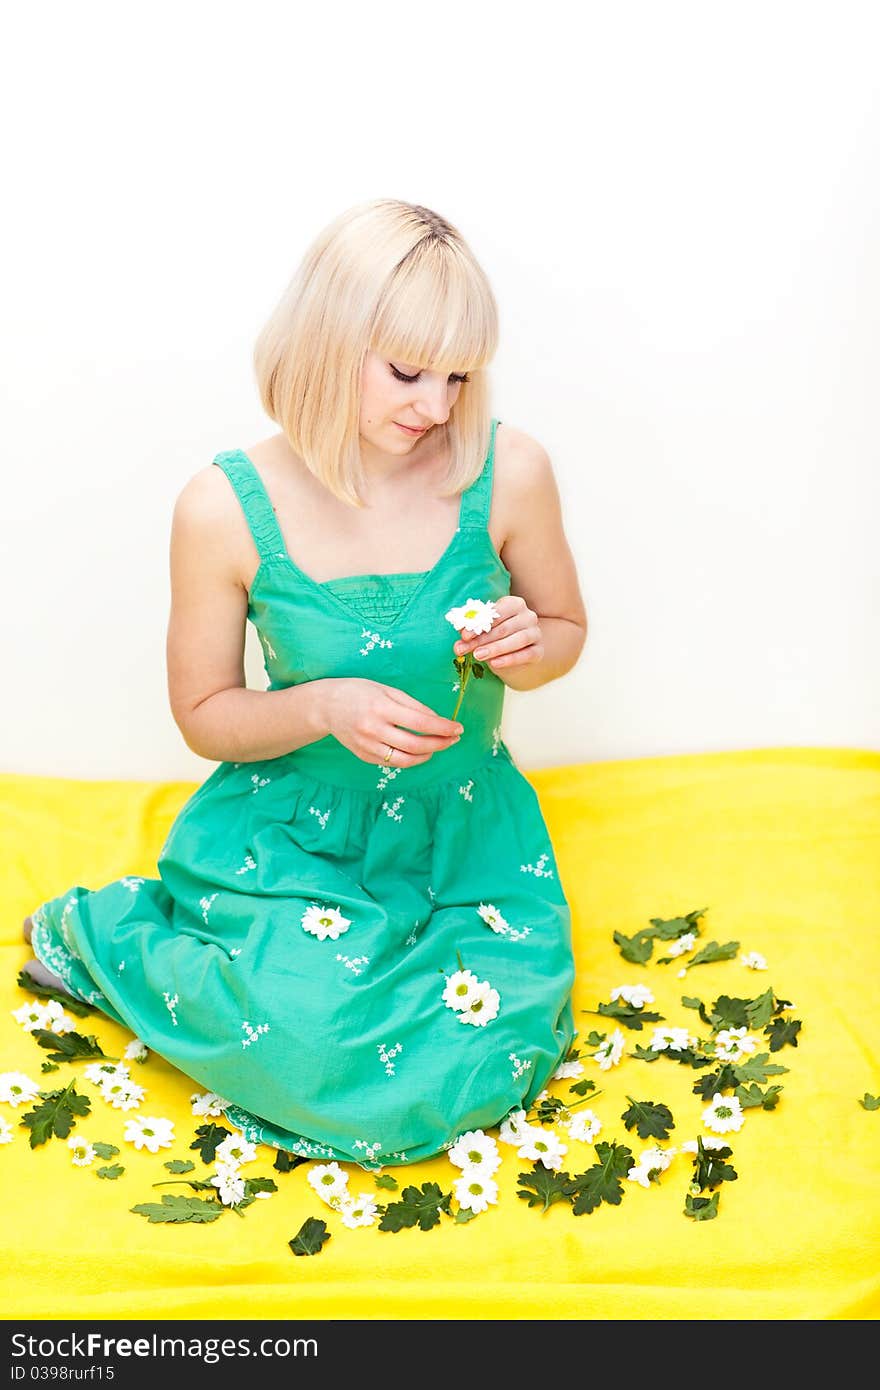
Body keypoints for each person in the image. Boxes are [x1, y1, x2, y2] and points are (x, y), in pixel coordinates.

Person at [22, 198, 588, 1166]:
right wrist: (321, 706)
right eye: (407, 371)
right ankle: (109, 937)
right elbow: (204, 714)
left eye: (458, 375)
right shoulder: (222, 507)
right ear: (326, 343)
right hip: (297, 847)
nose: (436, 406)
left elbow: (565, 630)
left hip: (466, 840)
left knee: (493, 1045)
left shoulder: (510, 471)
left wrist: (528, 645)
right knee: (318, 1051)